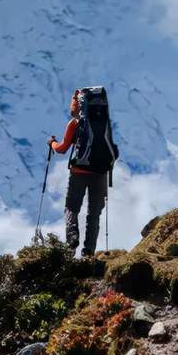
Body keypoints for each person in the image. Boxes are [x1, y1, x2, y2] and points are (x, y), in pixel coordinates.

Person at [48, 87, 117, 257]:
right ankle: (89, 254)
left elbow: (62, 149)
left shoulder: (75, 124)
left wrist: (52, 144)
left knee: (71, 208)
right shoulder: (105, 123)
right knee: (94, 213)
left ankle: (72, 241)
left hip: (79, 171)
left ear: (80, 105)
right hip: (100, 172)